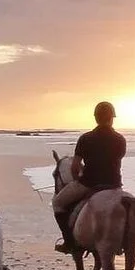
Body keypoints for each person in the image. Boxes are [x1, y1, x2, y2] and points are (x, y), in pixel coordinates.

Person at [53, 101, 126, 253]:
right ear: (112, 118)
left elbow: (75, 166)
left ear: (96, 118)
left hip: (89, 184)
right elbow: (114, 161)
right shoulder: (120, 139)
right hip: (114, 185)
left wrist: (77, 177)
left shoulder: (85, 138)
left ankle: (68, 242)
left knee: (58, 203)